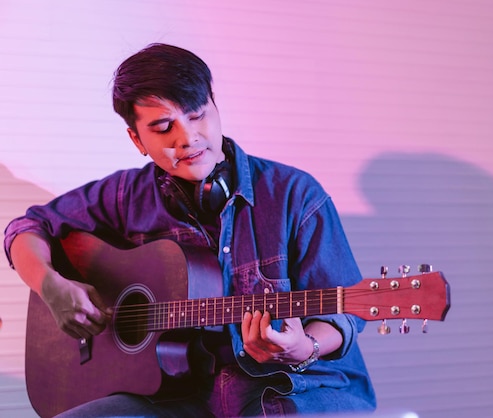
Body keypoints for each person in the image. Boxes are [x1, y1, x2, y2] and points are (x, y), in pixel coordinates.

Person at [4, 43, 376, 417]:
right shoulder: (124, 196)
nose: (187, 138)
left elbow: (348, 309)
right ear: (137, 139)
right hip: (172, 396)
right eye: (163, 127)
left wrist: (303, 347)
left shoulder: (294, 194)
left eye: (198, 116)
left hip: (285, 387)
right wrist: (49, 284)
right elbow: (30, 226)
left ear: (215, 106)